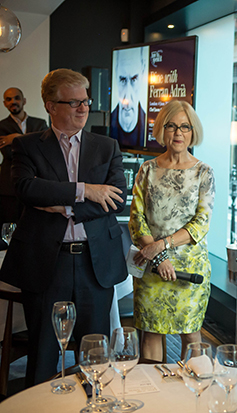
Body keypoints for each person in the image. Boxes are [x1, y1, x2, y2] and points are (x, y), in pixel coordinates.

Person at [0, 69, 127, 386]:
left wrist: (59, 202)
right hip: (45, 261)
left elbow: (117, 200)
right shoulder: (28, 146)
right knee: (43, 354)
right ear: (49, 105)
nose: (83, 108)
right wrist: (87, 190)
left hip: (94, 262)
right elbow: (27, 189)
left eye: (86, 100)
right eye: (73, 103)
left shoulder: (106, 146)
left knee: (95, 355)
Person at [129, 100, 215, 361]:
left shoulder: (204, 172)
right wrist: (158, 257)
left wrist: (161, 245)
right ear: (161, 130)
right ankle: (155, 398)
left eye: (185, 127)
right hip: (152, 266)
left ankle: (194, 394)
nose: (178, 133)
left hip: (190, 270)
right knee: (151, 333)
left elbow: (201, 223)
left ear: (193, 132)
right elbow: (136, 219)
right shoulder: (147, 170)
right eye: (171, 126)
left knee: (190, 333)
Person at [0, 88, 47, 228]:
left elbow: (45, 150)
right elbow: (10, 153)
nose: (13, 102)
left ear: (24, 100)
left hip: (36, 182)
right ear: (4, 103)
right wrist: (33, 142)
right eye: (8, 99)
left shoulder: (40, 123)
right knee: (9, 228)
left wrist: (16, 138)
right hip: (8, 187)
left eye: (17, 98)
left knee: (33, 227)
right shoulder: (1, 126)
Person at [110, 47, 147, 147]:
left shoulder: (151, 129)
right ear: (115, 71)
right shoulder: (106, 132)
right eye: (122, 80)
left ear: (143, 71)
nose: (127, 96)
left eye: (134, 79)